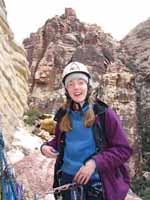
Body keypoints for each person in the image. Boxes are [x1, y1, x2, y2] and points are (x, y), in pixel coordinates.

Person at [40, 61, 132, 200]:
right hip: (67, 180)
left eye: (80, 82)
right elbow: (61, 142)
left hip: (96, 183)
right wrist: (46, 147)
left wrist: (94, 163)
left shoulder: (103, 114)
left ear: (88, 86)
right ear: (66, 89)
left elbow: (123, 150)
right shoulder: (64, 114)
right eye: (70, 84)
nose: (76, 87)